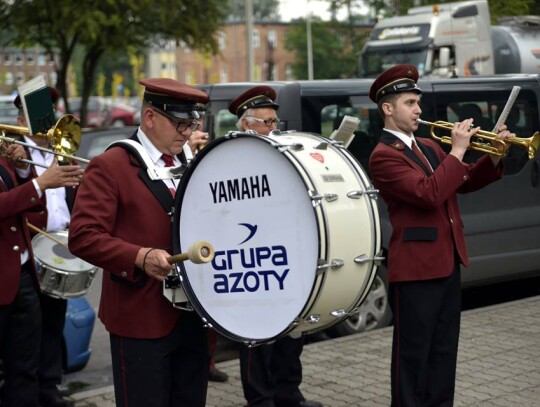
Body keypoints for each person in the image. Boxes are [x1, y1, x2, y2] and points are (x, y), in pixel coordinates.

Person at [367, 64, 514, 407]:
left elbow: (461, 182)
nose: (418, 109)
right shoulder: (384, 156)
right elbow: (428, 193)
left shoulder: (430, 147)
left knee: (444, 352)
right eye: (409, 103)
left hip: (447, 261)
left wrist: (493, 154)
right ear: (388, 109)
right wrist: (459, 150)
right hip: (416, 269)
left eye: (417, 102)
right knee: (413, 357)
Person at [68, 78, 211, 407]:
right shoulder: (112, 165)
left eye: (192, 123)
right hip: (141, 319)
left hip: (194, 316)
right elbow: (83, 235)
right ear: (150, 117)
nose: (187, 132)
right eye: (180, 123)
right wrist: (138, 255)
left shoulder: (193, 164)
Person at [228, 85, 322, 407]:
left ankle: (288, 392)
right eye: (266, 122)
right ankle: (261, 397)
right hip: (253, 256)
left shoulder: (280, 152)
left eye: (274, 122)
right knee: (257, 336)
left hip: (286, 253)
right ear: (246, 124)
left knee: (291, 331)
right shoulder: (231, 156)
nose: (272, 128)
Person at [0, 142, 83, 407]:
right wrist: (40, 184)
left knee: (24, 365)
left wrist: (23, 170)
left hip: (21, 273)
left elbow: (28, 203)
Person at [13, 87, 76, 407]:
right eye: (38, 117)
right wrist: (24, 167)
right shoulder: (17, 154)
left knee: (54, 320)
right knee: (30, 327)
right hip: (32, 243)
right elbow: (21, 195)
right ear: (22, 119)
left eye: (48, 116)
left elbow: (71, 196)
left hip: (59, 242)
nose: (45, 124)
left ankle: (50, 387)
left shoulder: (60, 150)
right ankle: (31, 388)